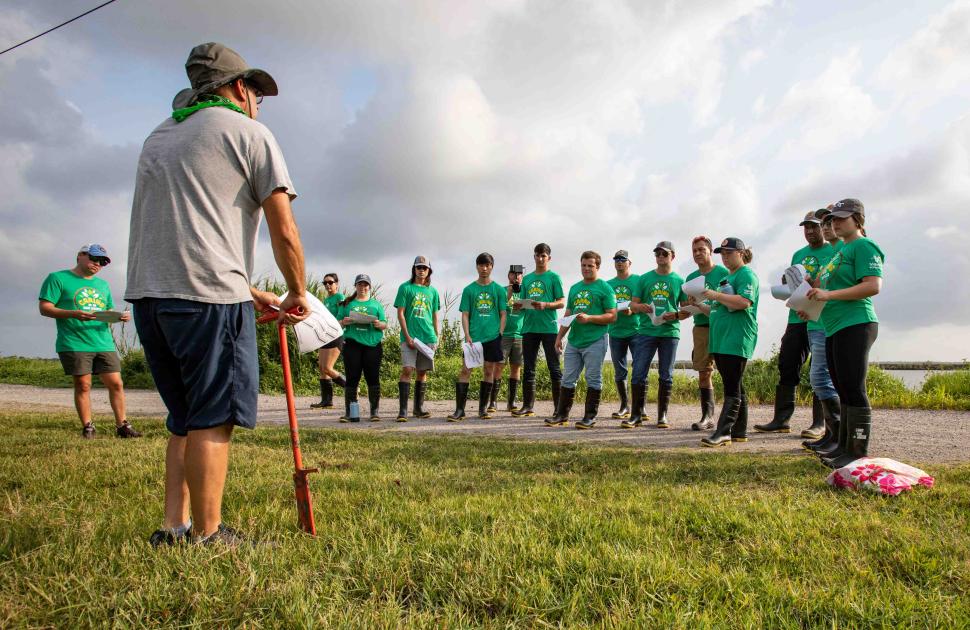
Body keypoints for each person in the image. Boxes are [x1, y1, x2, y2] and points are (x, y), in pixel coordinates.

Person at [127, 43, 310, 546]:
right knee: (214, 416)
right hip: (208, 301)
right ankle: (209, 536)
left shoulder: (158, 136)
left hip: (150, 295)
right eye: (255, 90)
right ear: (235, 88)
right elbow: (284, 228)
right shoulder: (250, 134)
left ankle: (174, 527)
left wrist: (250, 291)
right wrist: (296, 290)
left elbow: (185, 232)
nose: (259, 102)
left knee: (183, 418)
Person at [808, 199, 884, 468]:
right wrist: (812, 306)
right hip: (834, 326)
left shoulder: (864, 246)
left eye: (841, 218)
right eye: (831, 219)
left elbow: (872, 286)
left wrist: (827, 294)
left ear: (858, 220)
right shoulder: (841, 251)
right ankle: (843, 446)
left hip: (856, 323)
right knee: (841, 386)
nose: (835, 223)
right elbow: (827, 292)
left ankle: (857, 450)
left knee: (853, 386)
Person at [39, 244, 141, 439]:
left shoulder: (102, 285)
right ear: (80, 256)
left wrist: (119, 317)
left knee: (116, 383)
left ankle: (123, 426)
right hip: (74, 341)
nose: (97, 264)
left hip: (103, 341)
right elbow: (45, 308)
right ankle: (88, 426)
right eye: (94, 259)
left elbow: (107, 312)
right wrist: (74, 314)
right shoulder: (57, 278)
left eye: (102, 262)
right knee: (83, 385)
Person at [754, 211, 836, 437]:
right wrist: (786, 280)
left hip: (819, 315)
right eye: (806, 227)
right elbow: (793, 283)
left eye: (815, 227)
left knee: (819, 368)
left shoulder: (833, 250)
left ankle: (820, 423)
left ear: (825, 227)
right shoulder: (798, 254)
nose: (810, 231)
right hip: (796, 315)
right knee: (787, 362)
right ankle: (781, 419)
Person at [546, 251, 616, 428]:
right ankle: (561, 415)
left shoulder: (605, 288)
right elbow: (568, 314)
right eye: (583, 265)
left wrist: (590, 318)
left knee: (593, 378)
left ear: (597, 267)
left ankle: (590, 417)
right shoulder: (575, 288)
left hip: (595, 340)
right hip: (574, 341)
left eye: (590, 266)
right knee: (568, 378)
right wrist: (559, 336)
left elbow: (612, 316)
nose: (586, 269)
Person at [701, 238, 759, 447]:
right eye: (722, 253)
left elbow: (744, 302)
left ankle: (723, 432)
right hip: (722, 339)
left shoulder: (746, 275)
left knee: (732, 387)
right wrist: (700, 305)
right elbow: (717, 308)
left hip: (736, 337)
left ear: (741, 253)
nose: (724, 256)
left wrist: (715, 294)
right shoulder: (727, 277)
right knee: (736, 385)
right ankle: (739, 431)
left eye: (728, 252)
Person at [625, 241, 687, 429]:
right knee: (638, 373)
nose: (660, 256)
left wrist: (674, 315)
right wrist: (641, 307)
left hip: (669, 332)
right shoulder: (644, 279)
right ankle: (636, 415)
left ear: (672, 256)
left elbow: (686, 311)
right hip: (646, 331)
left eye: (664, 254)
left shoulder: (679, 281)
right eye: (657, 253)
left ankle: (662, 416)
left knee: (666, 375)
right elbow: (632, 305)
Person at [449, 253, 507, 420]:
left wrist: (500, 332)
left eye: (487, 265)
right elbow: (465, 314)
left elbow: (503, 313)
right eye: (481, 265)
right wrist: (467, 334)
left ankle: (483, 409)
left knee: (489, 370)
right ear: (477, 267)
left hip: (493, 336)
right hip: (474, 338)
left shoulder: (498, 290)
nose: (484, 268)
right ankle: (460, 410)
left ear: (492, 267)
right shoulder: (469, 290)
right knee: (466, 370)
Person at [681, 236, 729, 431]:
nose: (698, 254)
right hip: (701, 327)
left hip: (722, 326)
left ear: (710, 251)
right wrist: (688, 303)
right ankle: (707, 417)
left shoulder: (723, 272)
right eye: (694, 251)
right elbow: (684, 305)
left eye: (701, 250)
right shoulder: (690, 277)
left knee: (729, 373)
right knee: (703, 372)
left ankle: (731, 417)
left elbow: (729, 297)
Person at [513, 243, 565, 418]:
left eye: (544, 255)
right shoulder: (526, 279)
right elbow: (520, 302)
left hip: (549, 328)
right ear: (534, 257)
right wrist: (518, 305)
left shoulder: (554, 277)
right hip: (529, 328)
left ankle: (559, 408)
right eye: (537, 255)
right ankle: (527, 406)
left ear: (549, 258)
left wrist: (546, 305)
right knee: (529, 368)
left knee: (554, 368)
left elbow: (562, 302)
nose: (540, 258)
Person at [394, 256, 441, 422]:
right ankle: (403, 410)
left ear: (429, 271)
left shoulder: (433, 291)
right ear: (414, 269)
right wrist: (407, 336)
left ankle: (418, 408)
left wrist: (436, 335)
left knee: (422, 372)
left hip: (427, 337)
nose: (421, 270)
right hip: (409, 337)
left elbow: (435, 314)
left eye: (425, 268)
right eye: (418, 267)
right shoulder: (405, 288)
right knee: (407, 369)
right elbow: (400, 313)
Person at [337, 275, 388, 422]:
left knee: (372, 377)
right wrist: (343, 322)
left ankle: (374, 412)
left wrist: (379, 324)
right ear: (355, 286)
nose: (363, 287)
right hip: (353, 344)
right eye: (360, 284)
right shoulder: (347, 303)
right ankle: (351, 412)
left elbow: (385, 323)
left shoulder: (376, 305)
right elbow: (337, 323)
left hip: (372, 344)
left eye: (366, 285)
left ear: (369, 287)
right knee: (352, 378)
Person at [606, 250, 640, 421]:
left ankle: (639, 408)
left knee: (640, 369)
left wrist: (633, 309)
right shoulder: (608, 284)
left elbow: (644, 302)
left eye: (623, 260)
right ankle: (624, 406)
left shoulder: (638, 280)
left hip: (636, 330)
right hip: (615, 331)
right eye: (617, 260)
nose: (620, 262)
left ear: (629, 263)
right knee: (620, 370)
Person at [491, 264, 525, 413]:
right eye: (513, 273)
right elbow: (498, 307)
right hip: (504, 334)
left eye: (519, 274)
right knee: (498, 366)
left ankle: (511, 402)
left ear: (522, 276)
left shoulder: (526, 291)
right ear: (508, 275)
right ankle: (492, 401)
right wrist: (510, 291)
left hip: (520, 334)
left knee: (516, 367)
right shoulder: (503, 290)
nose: (516, 276)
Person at [310, 272, 347, 409]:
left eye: (330, 282)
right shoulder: (326, 300)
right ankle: (327, 401)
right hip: (324, 335)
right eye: (325, 283)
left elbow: (341, 315)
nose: (327, 285)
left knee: (327, 368)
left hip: (335, 335)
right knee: (321, 367)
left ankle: (351, 387)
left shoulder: (340, 297)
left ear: (336, 284)